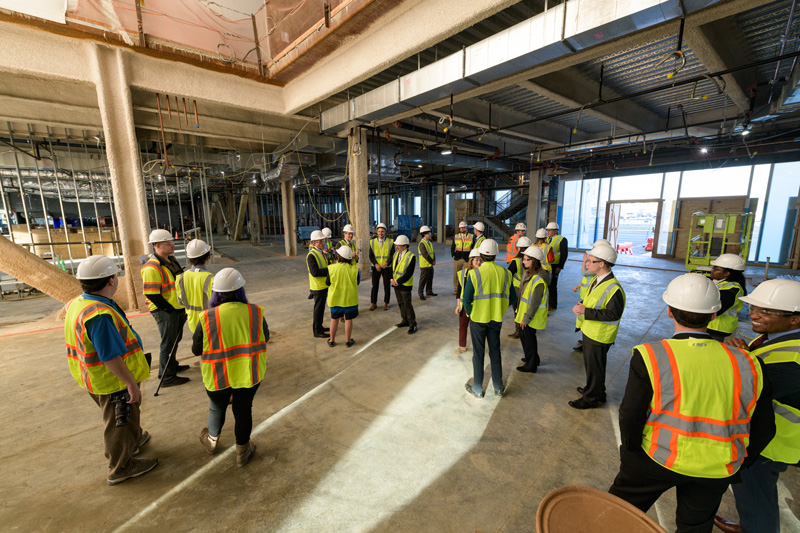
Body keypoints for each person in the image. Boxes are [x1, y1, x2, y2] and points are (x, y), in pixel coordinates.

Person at [609, 273, 775, 533]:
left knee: (615, 514)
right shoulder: (750, 363)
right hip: (717, 466)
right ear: (712, 315)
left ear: (668, 312)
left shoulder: (651, 355)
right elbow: (765, 427)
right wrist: (739, 462)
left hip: (656, 458)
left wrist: (631, 453)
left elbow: (630, 415)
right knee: (695, 527)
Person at [715, 279, 800, 533]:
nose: (753, 315)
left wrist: (737, 359)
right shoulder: (774, 337)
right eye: (753, 308)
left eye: (765, 312)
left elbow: (747, 390)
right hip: (767, 435)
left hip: (770, 442)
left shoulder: (794, 360)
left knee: (755, 495)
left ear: (795, 318)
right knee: (755, 495)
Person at [66, 255, 157, 485]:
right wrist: (130, 383)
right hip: (113, 381)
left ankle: (134, 440)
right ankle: (121, 467)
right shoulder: (99, 316)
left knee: (126, 420)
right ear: (110, 281)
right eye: (116, 275)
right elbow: (109, 356)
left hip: (93, 377)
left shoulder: (80, 303)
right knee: (119, 424)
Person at [193, 268, 268, 468]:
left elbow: (196, 349)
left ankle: (211, 443)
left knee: (216, 407)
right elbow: (265, 337)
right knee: (243, 410)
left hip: (217, 376)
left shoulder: (207, 317)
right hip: (248, 373)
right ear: (240, 290)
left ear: (215, 293)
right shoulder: (255, 312)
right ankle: (242, 452)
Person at [570, 243, 625, 409]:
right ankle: (597, 391)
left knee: (594, 367)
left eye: (590, 261)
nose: (587, 263)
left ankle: (590, 398)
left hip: (600, 334)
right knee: (593, 366)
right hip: (591, 331)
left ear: (602, 263)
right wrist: (582, 305)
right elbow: (594, 301)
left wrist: (585, 311)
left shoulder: (613, 288)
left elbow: (613, 314)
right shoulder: (597, 280)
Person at [462, 239, 517, 398]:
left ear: (481, 255)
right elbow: (513, 298)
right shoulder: (506, 273)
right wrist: (498, 307)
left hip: (478, 320)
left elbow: (466, 299)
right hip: (496, 320)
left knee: (478, 354)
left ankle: (478, 389)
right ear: (495, 255)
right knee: (495, 352)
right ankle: (498, 387)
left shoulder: (474, 273)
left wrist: (471, 313)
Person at [142, 229, 190, 387]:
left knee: (175, 340)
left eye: (172, 242)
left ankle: (172, 365)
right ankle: (166, 376)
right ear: (156, 245)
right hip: (165, 310)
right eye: (167, 243)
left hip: (176, 307)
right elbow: (152, 294)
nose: (172, 245)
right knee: (168, 343)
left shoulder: (171, 260)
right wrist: (169, 309)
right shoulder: (152, 268)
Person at [571, 239, 611, 353]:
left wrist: (584, 261)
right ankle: (585, 341)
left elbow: (584, 273)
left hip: (597, 336)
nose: (588, 263)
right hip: (587, 296)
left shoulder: (605, 279)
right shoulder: (599, 276)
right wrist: (579, 286)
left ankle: (586, 343)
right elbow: (585, 278)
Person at [515, 246, 550, 373]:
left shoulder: (538, 279)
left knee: (528, 340)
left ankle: (531, 365)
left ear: (534, 260)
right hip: (526, 314)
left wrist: (526, 318)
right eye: (523, 259)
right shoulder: (530, 273)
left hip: (530, 316)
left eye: (526, 260)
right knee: (527, 338)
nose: (523, 262)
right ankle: (533, 359)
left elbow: (534, 303)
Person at [706, 253, 747, 342]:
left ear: (726, 273)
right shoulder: (721, 283)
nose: (711, 270)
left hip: (718, 330)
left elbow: (717, 309)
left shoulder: (731, 290)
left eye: (715, 269)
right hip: (713, 327)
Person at [176, 239, 213, 334]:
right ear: (207, 258)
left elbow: (180, 302)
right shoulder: (210, 278)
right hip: (209, 322)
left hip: (192, 323)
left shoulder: (180, 278)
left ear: (189, 259)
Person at [326, 245, 360, 347]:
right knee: (348, 319)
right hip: (350, 300)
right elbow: (357, 282)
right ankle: (348, 341)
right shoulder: (354, 269)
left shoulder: (331, 268)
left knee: (334, 319)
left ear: (339, 256)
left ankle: (331, 340)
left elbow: (327, 283)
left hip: (335, 299)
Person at [455, 248, 482, 354]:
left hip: (477, 305)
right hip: (464, 305)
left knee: (476, 328)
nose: (478, 262)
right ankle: (462, 346)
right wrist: (458, 304)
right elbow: (459, 290)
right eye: (476, 260)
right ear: (471, 260)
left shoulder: (482, 273)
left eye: (480, 260)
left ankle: (477, 346)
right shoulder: (464, 273)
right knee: (463, 326)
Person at [391, 234, 417, 334]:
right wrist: (391, 279)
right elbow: (392, 268)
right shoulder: (396, 254)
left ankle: (412, 324)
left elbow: (409, 273)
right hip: (396, 284)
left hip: (405, 285)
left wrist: (398, 281)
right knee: (401, 303)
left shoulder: (411, 257)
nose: (396, 246)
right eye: (396, 245)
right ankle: (405, 320)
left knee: (407, 304)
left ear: (405, 246)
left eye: (399, 245)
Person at [507, 236, 532, 339]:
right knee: (527, 309)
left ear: (518, 248)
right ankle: (526, 329)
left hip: (517, 289)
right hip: (529, 288)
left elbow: (509, 275)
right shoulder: (533, 260)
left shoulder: (515, 261)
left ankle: (518, 331)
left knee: (517, 310)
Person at [307, 229, 330, 338]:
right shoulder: (311, 255)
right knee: (318, 310)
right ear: (313, 243)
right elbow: (315, 272)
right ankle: (317, 331)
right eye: (319, 241)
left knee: (321, 309)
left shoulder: (320, 253)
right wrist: (329, 270)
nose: (322, 243)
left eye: (322, 241)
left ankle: (320, 327)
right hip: (317, 287)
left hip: (323, 285)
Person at [369, 222, 394, 311]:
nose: (380, 233)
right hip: (376, 267)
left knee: (386, 285)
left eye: (382, 231)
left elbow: (392, 255)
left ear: (385, 232)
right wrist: (376, 264)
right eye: (379, 231)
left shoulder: (391, 242)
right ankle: (374, 303)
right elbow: (371, 255)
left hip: (386, 268)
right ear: (376, 231)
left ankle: (386, 303)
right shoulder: (372, 242)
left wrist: (386, 263)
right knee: (374, 285)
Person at [545, 222, 568, 311]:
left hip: (555, 265)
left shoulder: (562, 239)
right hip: (547, 265)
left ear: (555, 231)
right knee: (547, 285)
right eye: (547, 230)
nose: (548, 232)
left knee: (553, 285)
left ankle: (553, 305)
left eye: (549, 230)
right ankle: (547, 303)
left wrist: (560, 267)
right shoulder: (547, 239)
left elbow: (564, 254)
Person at [451, 221, 474, 295]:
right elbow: (452, 247)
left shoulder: (471, 236)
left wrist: (471, 258)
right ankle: (456, 289)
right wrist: (453, 256)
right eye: (461, 228)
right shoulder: (456, 236)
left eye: (463, 228)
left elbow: (473, 248)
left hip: (467, 259)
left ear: (466, 228)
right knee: (456, 274)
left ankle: (466, 289)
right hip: (457, 258)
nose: (462, 229)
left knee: (467, 274)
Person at [417, 225, 437, 300]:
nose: (430, 234)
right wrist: (432, 262)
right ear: (425, 234)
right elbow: (425, 254)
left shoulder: (430, 242)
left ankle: (429, 291)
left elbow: (432, 252)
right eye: (429, 233)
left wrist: (434, 260)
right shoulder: (422, 244)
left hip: (430, 265)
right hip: (425, 265)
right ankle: (420, 293)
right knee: (423, 280)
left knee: (430, 279)